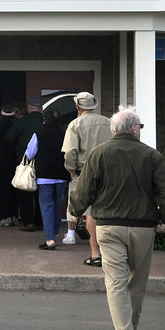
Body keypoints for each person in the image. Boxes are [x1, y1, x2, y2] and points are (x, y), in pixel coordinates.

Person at [70, 105, 165, 330]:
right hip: (143, 227)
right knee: (136, 282)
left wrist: (75, 210)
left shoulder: (99, 153)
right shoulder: (151, 155)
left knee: (115, 281)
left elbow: (84, 190)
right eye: (140, 126)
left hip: (108, 226)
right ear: (133, 128)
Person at [62, 91, 112, 266]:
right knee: (106, 210)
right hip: (107, 171)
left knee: (88, 212)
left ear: (78, 107)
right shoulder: (108, 122)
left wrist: (71, 171)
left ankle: (94, 252)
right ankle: (108, 251)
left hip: (84, 171)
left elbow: (70, 152)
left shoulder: (75, 124)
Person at [26, 106, 71, 250]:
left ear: (45, 119)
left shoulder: (39, 133)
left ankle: (50, 239)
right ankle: (54, 233)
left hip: (44, 176)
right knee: (57, 206)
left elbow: (30, 153)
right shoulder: (65, 134)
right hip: (61, 175)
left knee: (46, 207)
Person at [8, 98, 44, 232]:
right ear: (41, 109)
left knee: (26, 193)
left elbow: (9, 139)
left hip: (25, 163)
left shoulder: (21, 122)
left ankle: (28, 222)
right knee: (42, 194)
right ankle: (40, 222)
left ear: (28, 108)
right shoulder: (46, 123)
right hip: (44, 163)